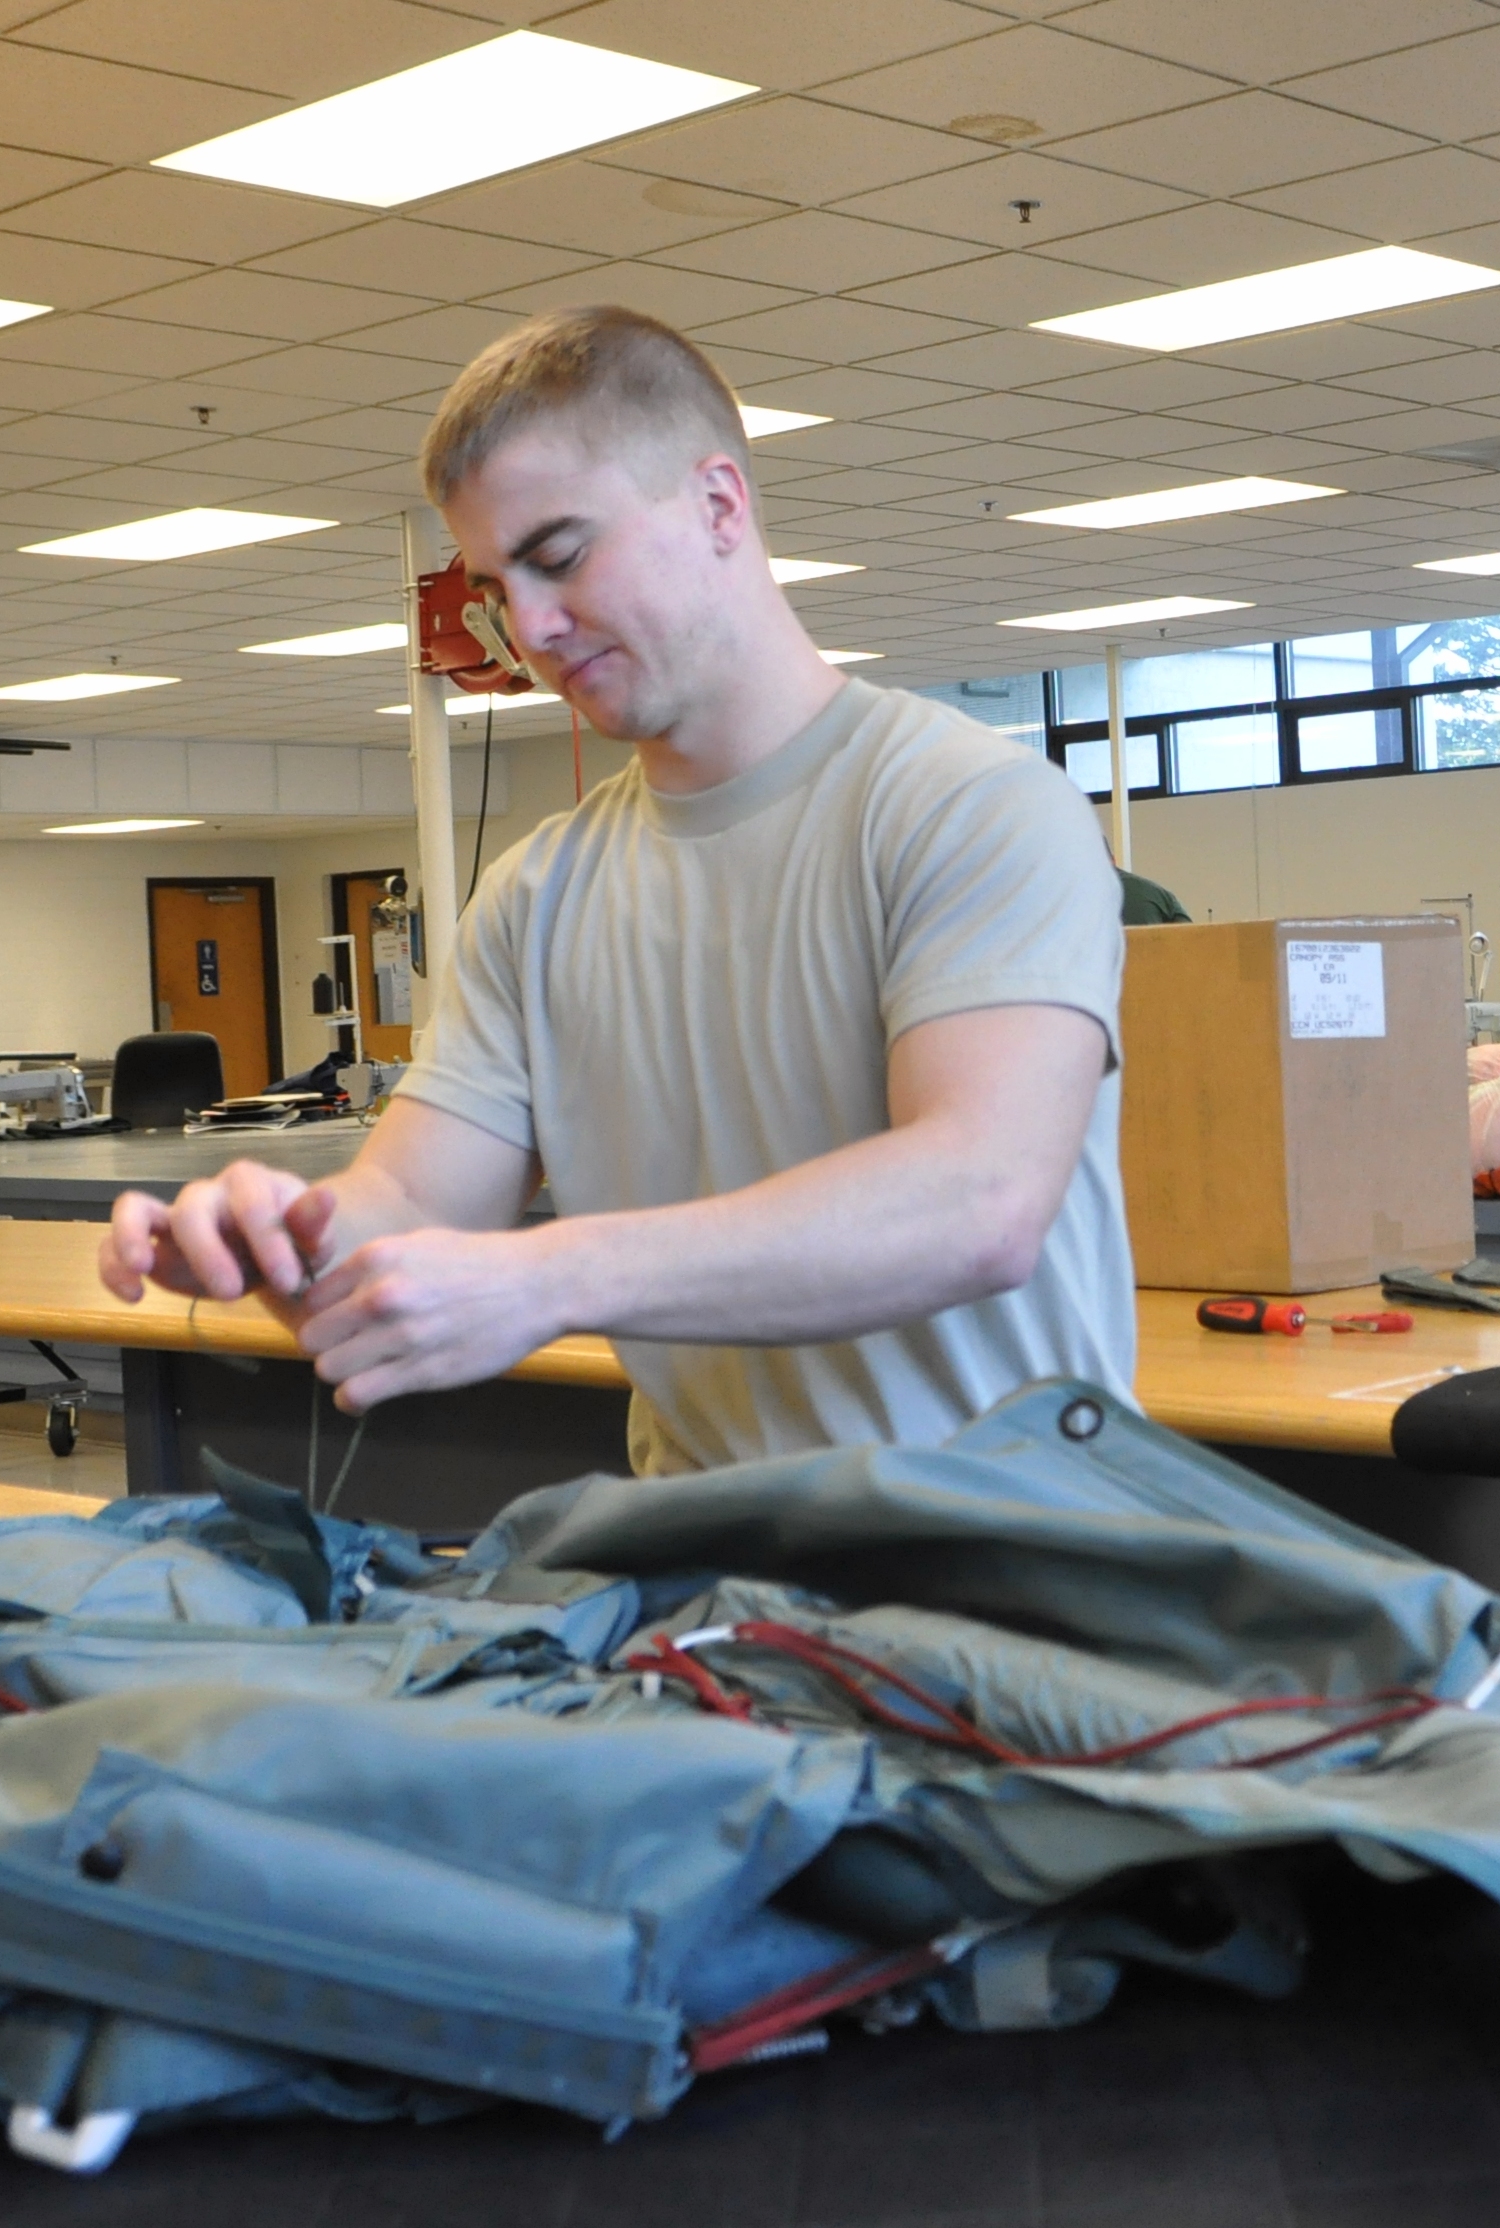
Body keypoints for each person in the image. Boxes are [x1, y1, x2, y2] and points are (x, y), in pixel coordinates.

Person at [97, 305, 1136, 1475]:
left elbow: (977, 1200)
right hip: (698, 1580)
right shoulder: (535, 894)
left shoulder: (971, 806)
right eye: (496, 583)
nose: (526, 627)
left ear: (719, 505)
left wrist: (554, 1271)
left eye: (560, 555)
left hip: (1011, 1575)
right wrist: (285, 1243)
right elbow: (410, 1203)